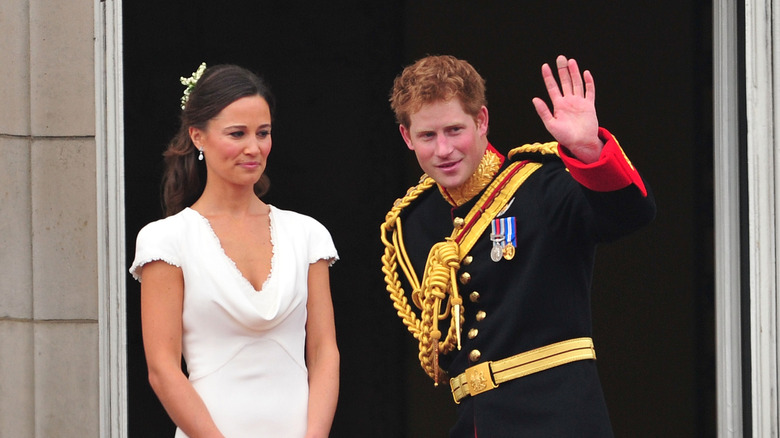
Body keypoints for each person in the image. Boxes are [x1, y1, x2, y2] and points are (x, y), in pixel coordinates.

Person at [380, 54, 655, 437]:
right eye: (428, 135)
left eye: (455, 130)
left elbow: (630, 214)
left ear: (481, 122)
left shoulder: (540, 186)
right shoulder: (413, 224)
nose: (443, 149)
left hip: (559, 419)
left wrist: (589, 150)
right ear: (407, 138)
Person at [130, 63, 340, 438]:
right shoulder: (166, 240)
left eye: (263, 133)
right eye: (237, 133)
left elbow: (324, 352)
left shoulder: (307, 234)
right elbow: (162, 367)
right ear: (198, 136)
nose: (253, 148)